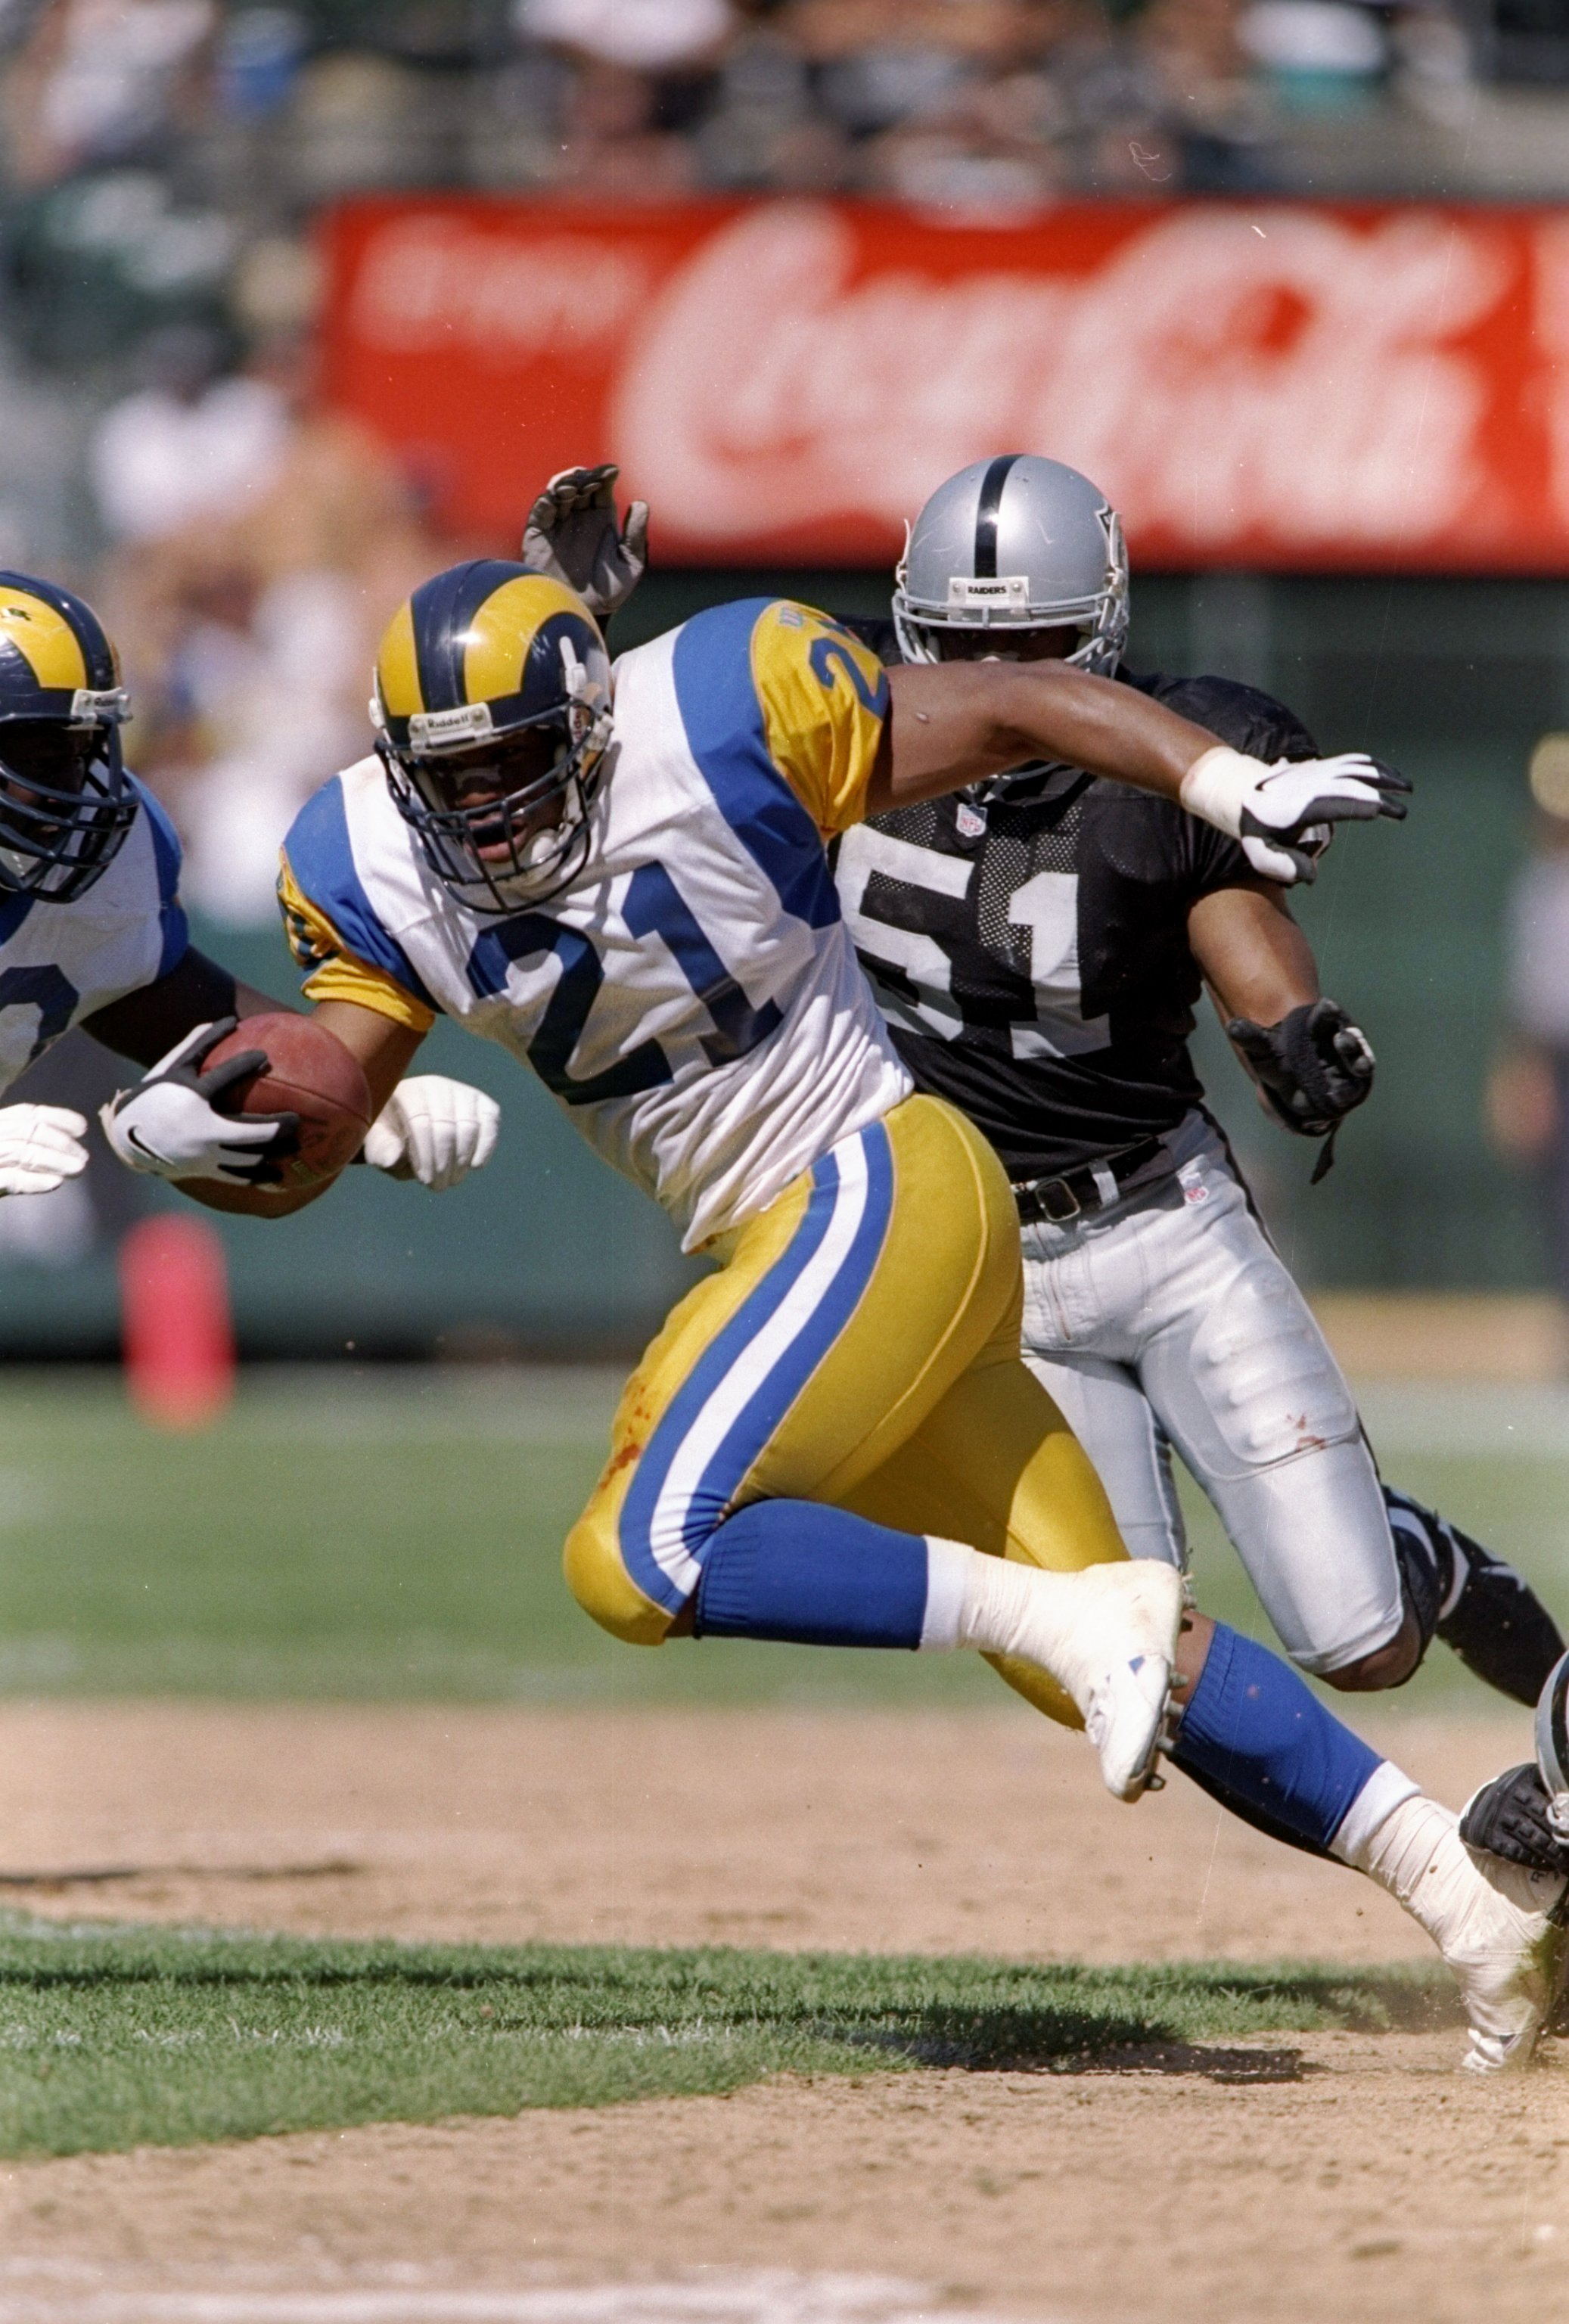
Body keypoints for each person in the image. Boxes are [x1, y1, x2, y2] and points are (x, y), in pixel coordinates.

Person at [505, 468, 1569, 2067]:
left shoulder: (1166, 745)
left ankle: (1488, 1635)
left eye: (1059, 653)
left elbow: (1224, 905)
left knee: (1360, 1632)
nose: (1024, 690)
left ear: (1110, 637)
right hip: (978, 1258)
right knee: (1129, 1662)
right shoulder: (839, 715)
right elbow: (641, 745)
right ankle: (1459, 1911)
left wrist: (1283, 1025)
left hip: (1163, 1219)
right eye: (980, 652)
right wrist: (585, 624)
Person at [0, 568, 498, 1212]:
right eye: (38, 757)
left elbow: (224, 1039)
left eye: (81, 751)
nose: (74, 788)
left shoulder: (104, 875)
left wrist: (356, 1103)